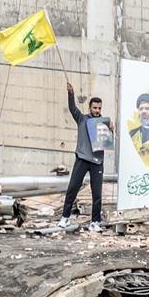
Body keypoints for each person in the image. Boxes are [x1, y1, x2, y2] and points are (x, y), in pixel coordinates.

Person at [60, 82, 113, 231]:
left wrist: (111, 131)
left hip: (97, 162)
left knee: (97, 193)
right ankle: (65, 217)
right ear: (90, 107)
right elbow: (72, 109)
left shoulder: (104, 124)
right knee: (72, 189)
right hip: (82, 159)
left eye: (99, 108)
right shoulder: (82, 119)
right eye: (95, 108)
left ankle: (95, 222)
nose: (97, 110)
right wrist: (71, 94)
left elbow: (107, 144)